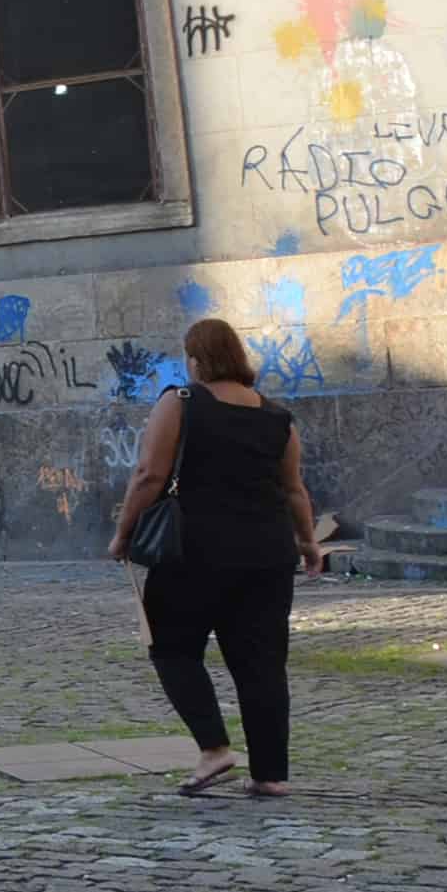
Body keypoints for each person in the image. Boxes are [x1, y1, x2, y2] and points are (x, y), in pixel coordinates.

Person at [105, 317, 323, 796]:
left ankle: (213, 749)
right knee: (262, 664)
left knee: (172, 649)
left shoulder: (181, 402)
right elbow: (294, 490)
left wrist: (123, 534)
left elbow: (148, 475)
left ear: (196, 360)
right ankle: (270, 775)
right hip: (267, 556)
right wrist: (308, 545)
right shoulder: (277, 417)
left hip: (194, 554)